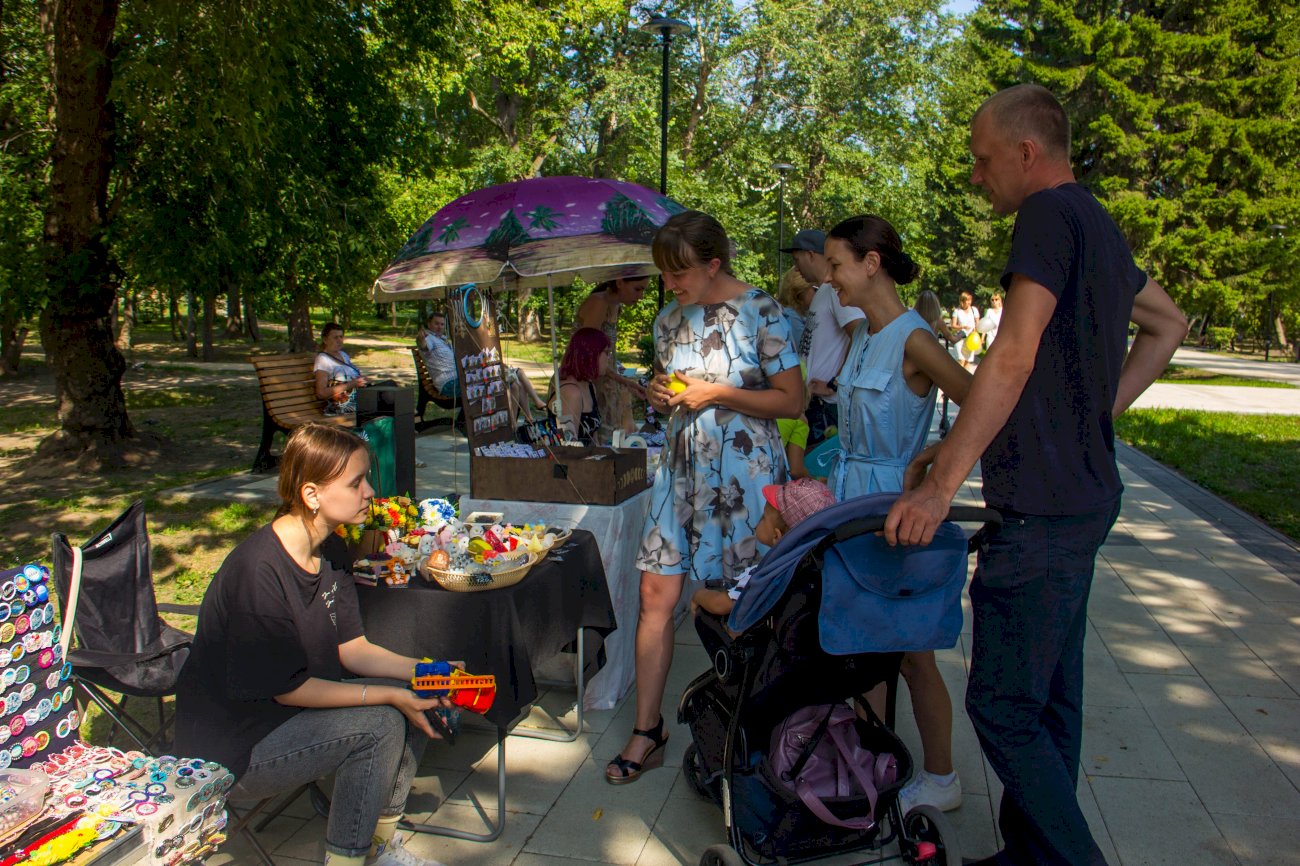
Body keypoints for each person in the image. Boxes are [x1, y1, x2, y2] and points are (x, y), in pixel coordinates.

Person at [885, 84, 1187, 866]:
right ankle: (1032, 853)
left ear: (1027, 152)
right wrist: (1097, 412)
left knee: (1002, 705)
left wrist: (939, 484)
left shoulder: (1047, 216)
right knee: (1052, 701)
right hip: (1083, 500)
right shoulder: (1098, 222)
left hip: (1044, 514)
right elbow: (1167, 324)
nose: (977, 177)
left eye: (984, 161)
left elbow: (1011, 353)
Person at [175, 423, 454, 866]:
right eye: (356, 482)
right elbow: (289, 688)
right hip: (233, 748)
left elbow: (353, 649)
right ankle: (345, 860)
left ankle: (380, 846)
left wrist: (429, 671)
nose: (370, 493)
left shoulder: (330, 550)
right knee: (382, 721)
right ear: (311, 495)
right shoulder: (259, 572)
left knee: (420, 694)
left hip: (286, 715)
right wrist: (389, 693)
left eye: (367, 479)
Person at [607, 210, 804, 784]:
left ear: (714, 263)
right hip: (680, 470)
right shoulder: (667, 321)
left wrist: (715, 392)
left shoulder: (762, 310)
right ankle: (648, 729)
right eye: (663, 274)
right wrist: (661, 395)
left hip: (742, 478)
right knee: (654, 595)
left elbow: (791, 402)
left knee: (741, 601)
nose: (670, 285)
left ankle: (750, 731)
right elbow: (677, 390)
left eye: (680, 273)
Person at [822, 215, 974, 815]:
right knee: (861, 642)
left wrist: (936, 467)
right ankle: (870, 758)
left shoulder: (915, 339)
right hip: (852, 505)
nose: (831, 276)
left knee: (913, 653)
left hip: (894, 514)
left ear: (871, 263)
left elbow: (981, 401)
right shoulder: (861, 334)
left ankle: (941, 777)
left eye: (836, 264)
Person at [690, 477, 835, 618]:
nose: (758, 520)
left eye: (764, 517)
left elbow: (720, 605)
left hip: (770, 639)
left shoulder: (769, 572)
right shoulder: (827, 568)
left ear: (776, 536)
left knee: (705, 617)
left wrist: (699, 596)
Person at [782, 229, 866, 445]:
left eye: (796, 259)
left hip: (829, 406)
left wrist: (834, 383)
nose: (796, 267)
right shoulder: (824, 291)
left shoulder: (835, 292)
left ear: (810, 254)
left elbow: (861, 334)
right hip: (816, 402)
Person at [418, 311, 545, 421]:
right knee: (512, 381)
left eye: (441, 324)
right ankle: (516, 421)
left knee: (515, 383)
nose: (440, 327)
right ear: (429, 324)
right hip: (450, 384)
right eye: (436, 324)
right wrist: (421, 340)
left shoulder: (444, 340)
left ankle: (522, 419)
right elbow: (424, 346)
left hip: (462, 378)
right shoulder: (430, 339)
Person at [575, 273, 651, 442]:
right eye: (637, 289)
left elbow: (607, 355)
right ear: (619, 282)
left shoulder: (615, 305)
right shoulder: (599, 303)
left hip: (604, 381)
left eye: (643, 290)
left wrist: (625, 383)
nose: (641, 296)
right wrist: (623, 382)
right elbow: (588, 356)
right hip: (584, 383)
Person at [548, 327, 610, 445]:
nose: (608, 358)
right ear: (591, 354)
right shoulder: (571, 393)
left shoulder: (590, 386)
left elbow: (594, 438)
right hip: (571, 461)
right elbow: (568, 444)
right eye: (606, 353)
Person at [315, 323, 372, 416]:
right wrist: (352, 384)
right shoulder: (323, 360)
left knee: (391, 387)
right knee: (387, 402)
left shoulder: (343, 355)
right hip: (341, 405)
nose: (339, 340)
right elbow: (321, 393)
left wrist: (362, 380)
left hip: (357, 398)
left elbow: (351, 377)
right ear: (325, 340)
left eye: (341, 337)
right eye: (335, 337)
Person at [776, 266, 815, 352]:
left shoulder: (795, 314)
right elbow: (805, 350)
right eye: (815, 289)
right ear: (800, 290)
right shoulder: (791, 316)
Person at [950, 291, 981, 369]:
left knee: (967, 361)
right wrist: (962, 327)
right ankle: (958, 378)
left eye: (970, 300)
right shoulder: (957, 311)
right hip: (960, 338)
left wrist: (976, 331)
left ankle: (965, 379)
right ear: (962, 301)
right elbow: (953, 325)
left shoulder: (974, 310)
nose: (969, 302)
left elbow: (978, 323)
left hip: (971, 339)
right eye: (967, 300)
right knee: (961, 360)